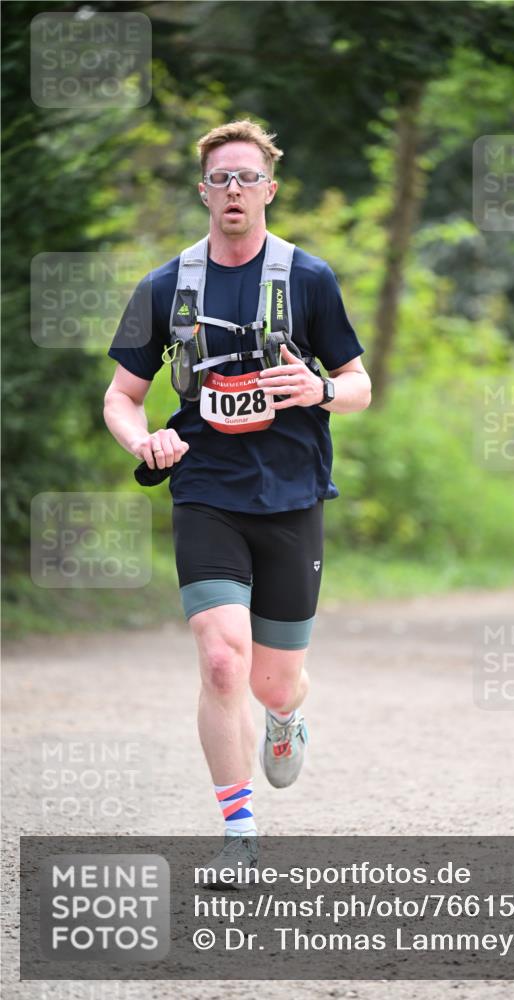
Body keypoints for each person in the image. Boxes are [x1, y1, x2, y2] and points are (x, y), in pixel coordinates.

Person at [103, 120, 371, 871]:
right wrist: (142, 440)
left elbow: (359, 386)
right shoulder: (162, 287)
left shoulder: (309, 278)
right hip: (205, 488)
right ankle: (237, 834)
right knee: (222, 662)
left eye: (246, 177)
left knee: (270, 677)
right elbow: (120, 397)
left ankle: (285, 716)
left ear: (270, 189)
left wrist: (320, 388)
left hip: (290, 493)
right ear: (201, 191)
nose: (233, 190)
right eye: (219, 178)